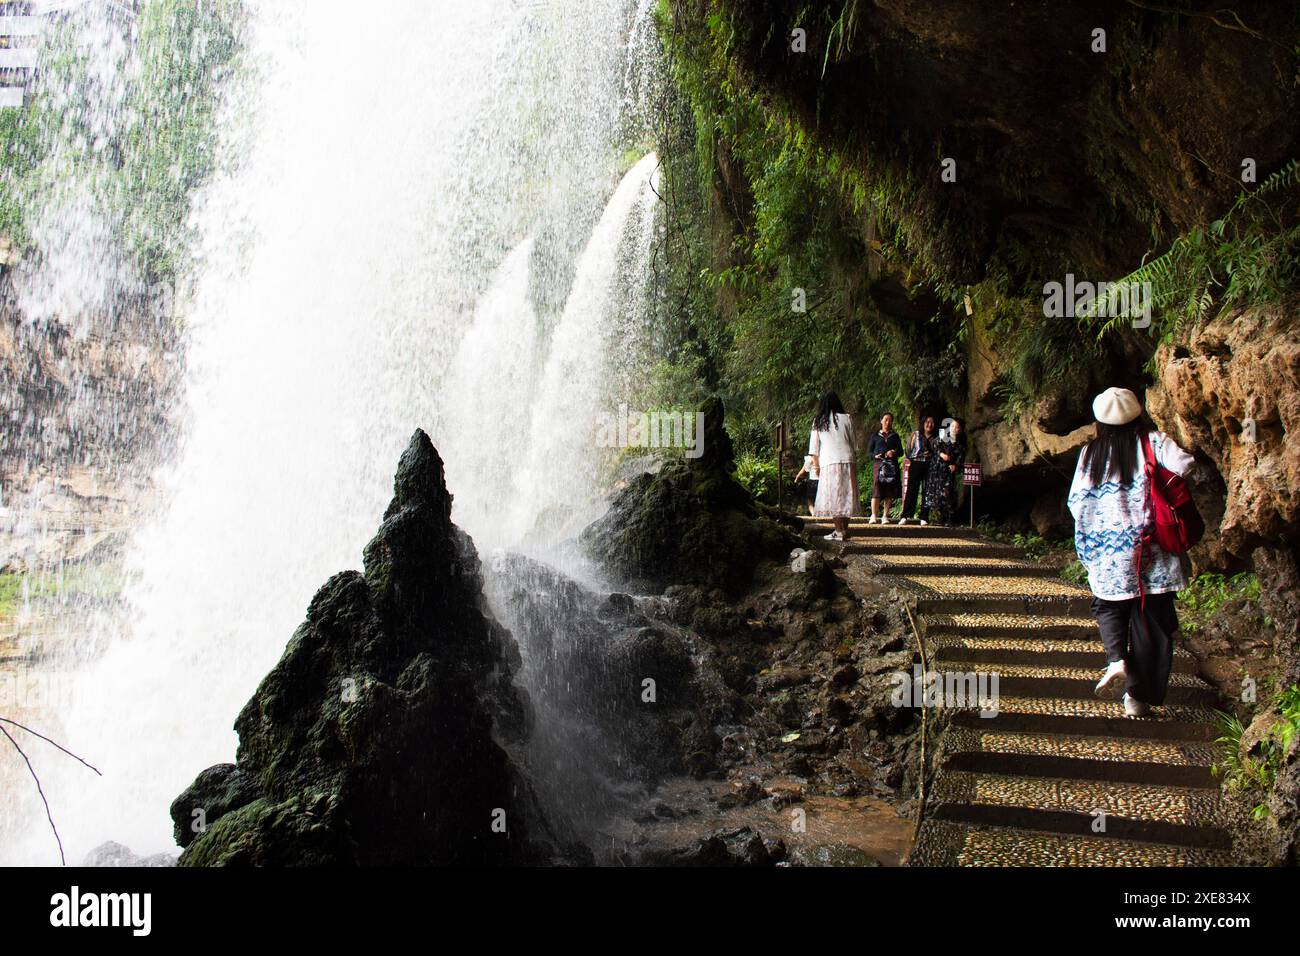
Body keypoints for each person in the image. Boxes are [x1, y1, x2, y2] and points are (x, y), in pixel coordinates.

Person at [1068, 387, 1194, 718]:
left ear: (1100, 422)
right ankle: (1138, 699)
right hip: (1151, 551)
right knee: (1151, 620)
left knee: (1108, 605)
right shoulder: (1153, 442)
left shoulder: (1089, 454)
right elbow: (1185, 465)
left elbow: (1076, 502)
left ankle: (1116, 660)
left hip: (1108, 554)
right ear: (1137, 415)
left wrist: (1098, 535)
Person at [808, 390, 859, 540]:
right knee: (847, 494)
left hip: (829, 462)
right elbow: (854, 444)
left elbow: (814, 449)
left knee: (834, 496)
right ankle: (844, 530)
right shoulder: (847, 418)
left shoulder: (818, 421)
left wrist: (816, 467)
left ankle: (838, 531)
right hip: (848, 460)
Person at [924, 417, 965, 525]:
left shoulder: (959, 445)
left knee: (947, 493)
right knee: (937, 494)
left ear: (959, 430)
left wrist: (955, 465)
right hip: (936, 470)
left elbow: (960, 458)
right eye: (952, 426)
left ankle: (950, 518)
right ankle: (940, 518)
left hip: (948, 472)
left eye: (956, 427)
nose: (954, 428)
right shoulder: (942, 438)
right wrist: (941, 454)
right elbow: (934, 445)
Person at [899, 414, 937, 525]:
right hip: (916, 463)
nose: (929, 424)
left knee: (927, 490)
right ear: (923, 423)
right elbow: (908, 449)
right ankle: (905, 515)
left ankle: (924, 517)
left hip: (930, 464)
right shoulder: (916, 434)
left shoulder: (936, 438)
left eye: (932, 422)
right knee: (911, 490)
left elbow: (938, 452)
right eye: (927, 422)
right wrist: (910, 459)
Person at [867, 412, 903, 523]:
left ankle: (885, 516)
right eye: (885, 419)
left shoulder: (895, 436)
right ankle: (873, 515)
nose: (888, 422)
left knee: (889, 490)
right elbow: (869, 453)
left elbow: (901, 452)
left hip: (892, 465)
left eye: (890, 420)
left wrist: (894, 452)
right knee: (877, 488)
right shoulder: (875, 436)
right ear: (881, 421)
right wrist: (875, 456)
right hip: (879, 464)